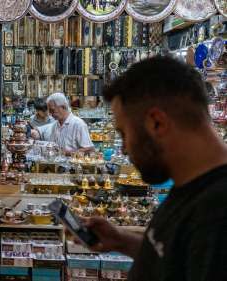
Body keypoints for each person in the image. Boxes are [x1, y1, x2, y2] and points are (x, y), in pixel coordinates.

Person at [82, 56, 227, 280]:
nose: (123, 150)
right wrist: (121, 240)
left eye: (124, 134)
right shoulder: (192, 187)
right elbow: (175, 259)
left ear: (156, 122)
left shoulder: (216, 215)